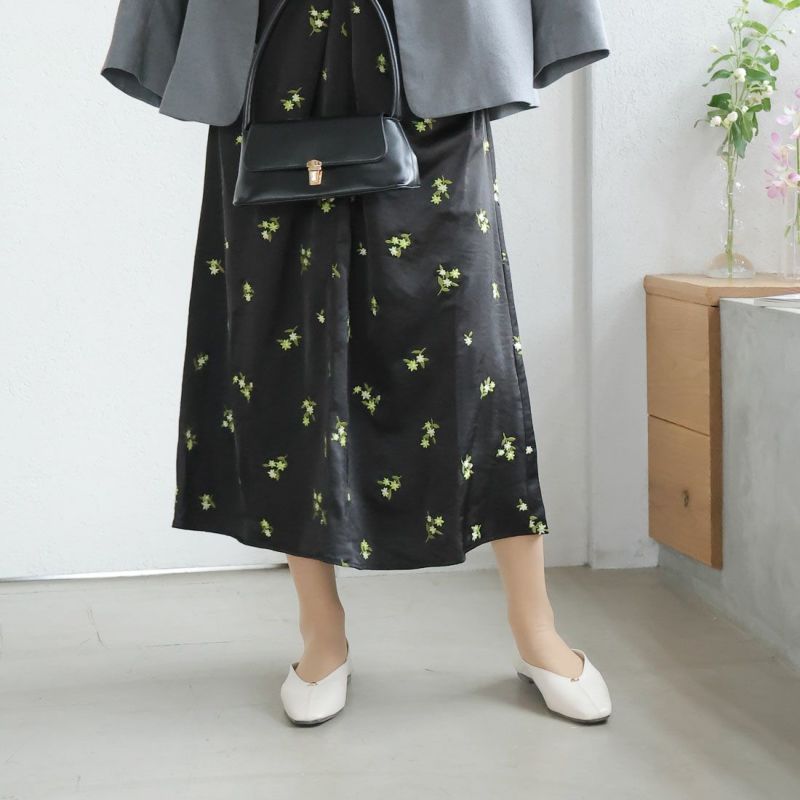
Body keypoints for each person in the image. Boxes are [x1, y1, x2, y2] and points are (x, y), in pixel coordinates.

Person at [101, 0, 612, 726]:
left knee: (472, 348)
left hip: (434, 52)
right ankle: (322, 632)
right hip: (272, 51)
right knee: (281, 346)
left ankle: (536, 629)